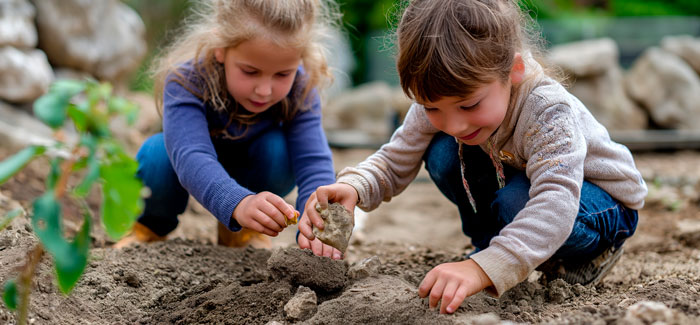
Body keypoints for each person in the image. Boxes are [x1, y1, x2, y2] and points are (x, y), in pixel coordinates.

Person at [298, 0, 647, 314]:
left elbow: (555, 201)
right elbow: (395, 159)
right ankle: (489, 247)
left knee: (517, 201)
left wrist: (484, 268)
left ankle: (589, 255)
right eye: (432, 108)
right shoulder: (441, 99)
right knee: (442, 152)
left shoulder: (546, 110)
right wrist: (355, 188)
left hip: (602, 205)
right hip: (530, 187)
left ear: (514, 71)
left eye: (469, 105)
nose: (454, 122)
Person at [115, 0, 341, 250]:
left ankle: (243, 231)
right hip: (186, 166)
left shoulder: (301, 87)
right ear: (220, 49)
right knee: (156, 155)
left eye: (282, 74)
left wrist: (318, 224)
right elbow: (191, 155)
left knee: (279, 149)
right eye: (250, 72)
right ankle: (150, 228)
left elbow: (313, 161)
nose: (264, 90)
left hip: (253, 165)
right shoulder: (186, 80)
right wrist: (238, 203)